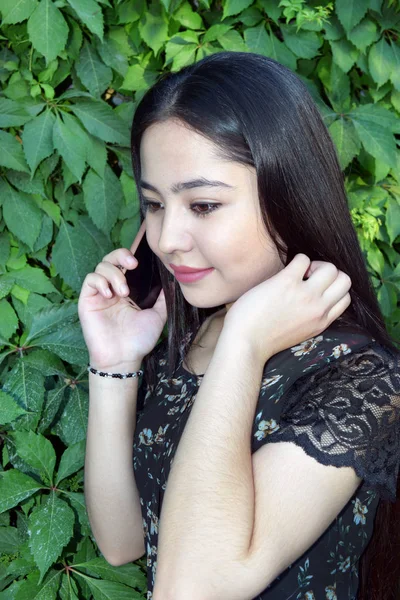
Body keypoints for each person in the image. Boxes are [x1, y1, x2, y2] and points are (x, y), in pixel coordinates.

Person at [78, 51, 400, 600]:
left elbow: (190, 587)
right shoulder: (187, 337)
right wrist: (116, 364)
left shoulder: (362, 378)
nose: (167, 238)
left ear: (288, 196)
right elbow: (124, 541)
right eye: (153, 204)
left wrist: (246, 344)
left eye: (203, 206)